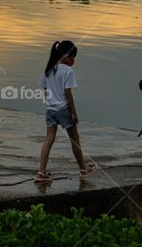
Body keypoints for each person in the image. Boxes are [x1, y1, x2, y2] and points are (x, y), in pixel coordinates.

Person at [35, 40, 97, 182]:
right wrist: (73, 112)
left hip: (50, 110)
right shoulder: (68, 71)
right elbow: (67, 93)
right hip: (64, 109)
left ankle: (41, 172)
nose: (73, 60)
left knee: (48, 140)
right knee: (75, 140)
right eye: (72, 57)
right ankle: (83, 169)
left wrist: (51, 102)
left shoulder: (48, 69)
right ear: (67, 55)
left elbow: (45, 90)